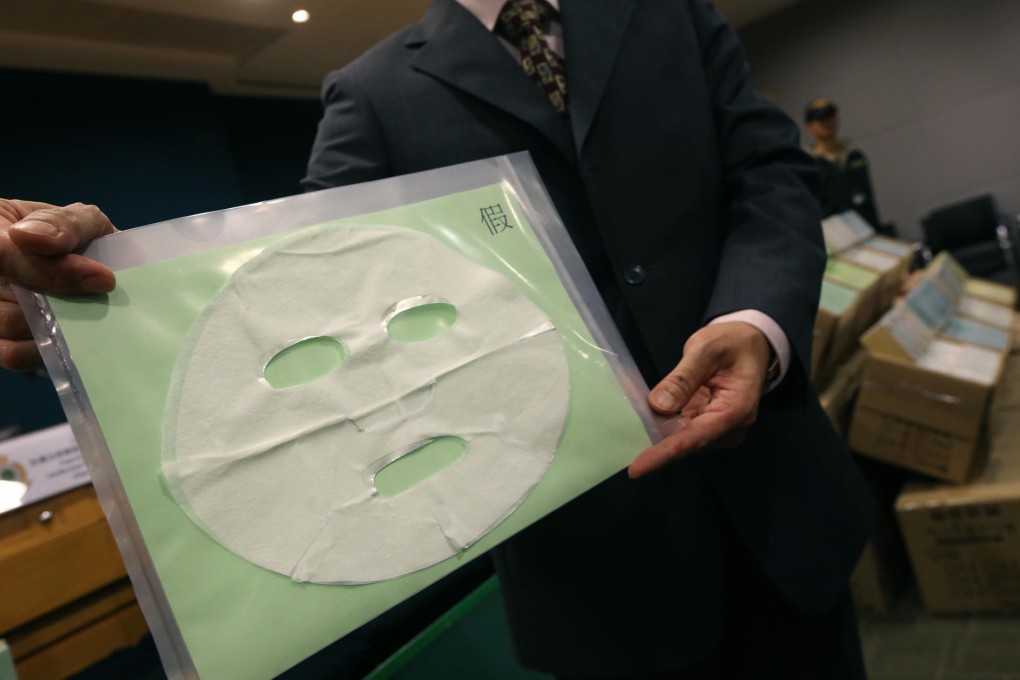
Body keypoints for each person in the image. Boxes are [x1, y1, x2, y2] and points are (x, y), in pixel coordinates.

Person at [0, 1, 874, 677]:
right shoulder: (372, 91)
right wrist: (100, 316)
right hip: (598, 569)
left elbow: (769, 173)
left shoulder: (664, 10)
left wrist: (751, 318)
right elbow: (299, 282)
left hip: (781, 511)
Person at [804, 97, 885, 232]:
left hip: (868, 228)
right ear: (810, 127)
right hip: (835, 236)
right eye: (821, 118)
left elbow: (867, 197)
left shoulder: (854, 155)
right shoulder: (808, 164)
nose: (827, 121)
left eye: (830, 115)